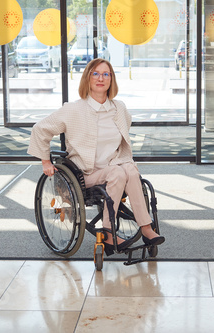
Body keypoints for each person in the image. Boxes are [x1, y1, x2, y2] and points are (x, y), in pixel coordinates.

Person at [28, 58, 165, 255]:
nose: (101, 78)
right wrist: (46, 161)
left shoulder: (119, 109)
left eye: (106, 74)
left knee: (129, 169)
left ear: (111, 80)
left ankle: (145, 228)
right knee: (118, 172)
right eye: (95, 74)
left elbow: (125, 132)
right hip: (85, 174)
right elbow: (40, 129)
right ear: (88, 78)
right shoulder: (74, 109)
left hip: (114, 167)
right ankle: (109, 233)